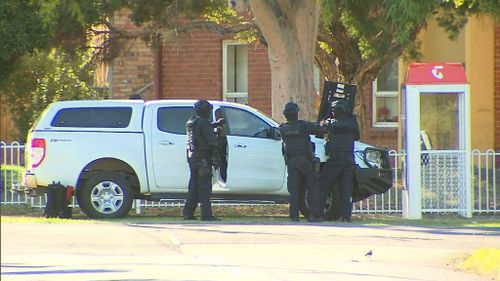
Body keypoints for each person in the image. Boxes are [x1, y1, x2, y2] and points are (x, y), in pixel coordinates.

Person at [278, 102, 327, 222]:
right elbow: (321, 130)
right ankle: (314, 215)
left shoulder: (282, 129)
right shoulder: (304, 126)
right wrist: (324, 123)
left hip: (292, 162)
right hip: (306, 162)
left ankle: (294, 216)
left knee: (294, 191)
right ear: (296, 113)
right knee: (312, 189)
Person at [319, 99, 360, 222]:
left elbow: (320, 125)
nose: (332, 111)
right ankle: (346, 217)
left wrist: (326, 114)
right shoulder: (352, 123)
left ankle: (319, 214)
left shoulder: (331, 123)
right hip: (348, 159)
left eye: (333, 109)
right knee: (347, 188)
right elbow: (357, 136)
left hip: (335, 160)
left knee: (323, 185)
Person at [183, 99, 220, 221]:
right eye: (208, 110)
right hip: (203, 158)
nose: (209, 112)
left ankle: (188, 212)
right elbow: (210, 141)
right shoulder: (203, 122)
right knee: (204, 186)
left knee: (193, 186)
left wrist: (214, 125)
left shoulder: (191, 121)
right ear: (204, 110)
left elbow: (199, 133)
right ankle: (206, 214)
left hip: (192, 157)